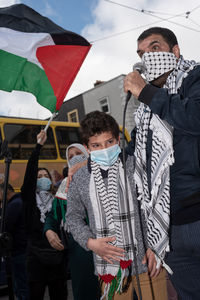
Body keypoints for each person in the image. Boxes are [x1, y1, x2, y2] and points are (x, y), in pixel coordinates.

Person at [124, 26, 200, 299]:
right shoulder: (145, 111)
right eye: (141, 54)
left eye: (154, 48)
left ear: (175, 52)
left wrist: (146, 93)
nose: (147, 58)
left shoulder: (195, 78)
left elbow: (195, 118)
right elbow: (131, 156)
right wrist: (84, 167)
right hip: (171, 228)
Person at [66, 110, 168, 300]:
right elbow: (72, 217)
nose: (104, 149)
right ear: (87, 148)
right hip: (110, 268)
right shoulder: (79, 179)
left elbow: (157, 204)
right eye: (96, 145)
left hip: (148, 262)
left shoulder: (137, 166)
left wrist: (156, 245)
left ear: (118, 139)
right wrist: (90, 242)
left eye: (109, 142)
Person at [44, 143, 101, 300]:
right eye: (70, 156)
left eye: (79, 153)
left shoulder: (102, 176)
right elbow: (53, 215)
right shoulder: (64, 187)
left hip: (107, 247)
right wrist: (49, 231)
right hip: (80, 254)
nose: (75, 158)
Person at [21, 130, 67, 300]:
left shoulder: (58, 200)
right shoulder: (28, 201)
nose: (42, 178)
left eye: (45, 176)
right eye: (39, 176)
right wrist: (38, 147)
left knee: (59, 295)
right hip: (36, 259)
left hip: (57, 258)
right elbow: (29, 175)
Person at [0, 183, 29, 300]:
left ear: (4, 191)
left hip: (18, 251)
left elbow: (5, 227)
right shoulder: (17, 202)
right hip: (21, 250)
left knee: (21, 285)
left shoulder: (14, 205)